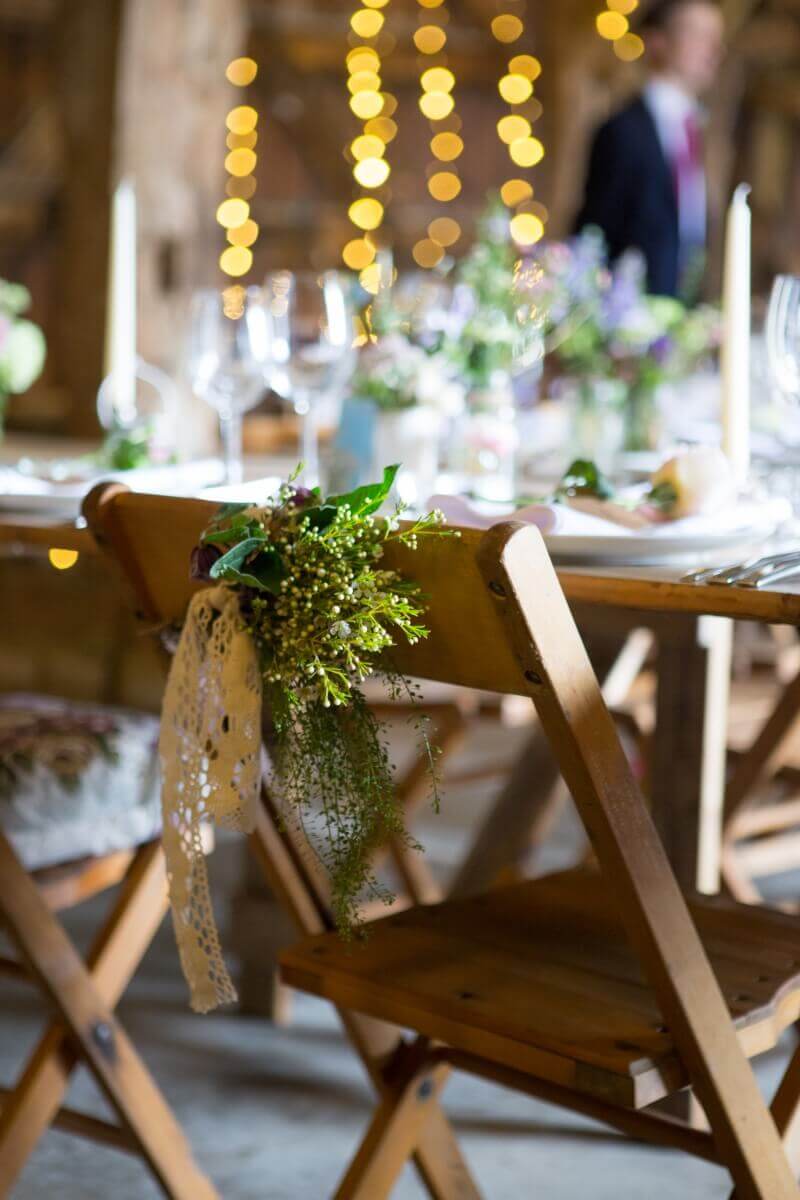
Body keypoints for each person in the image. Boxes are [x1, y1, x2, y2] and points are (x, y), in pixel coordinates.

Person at [575, 0, 725, 299]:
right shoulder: (622, 132)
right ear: (657, 41)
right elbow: (594, 237)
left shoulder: (699, 134)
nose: (712, 51)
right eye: (697, 34)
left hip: (685, 317)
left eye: (715, 38)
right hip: (629, 322)